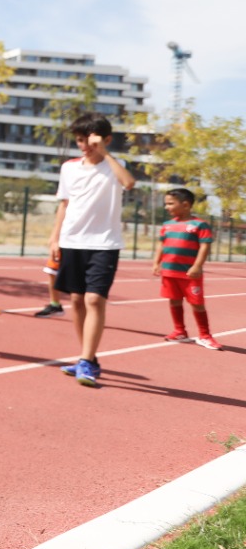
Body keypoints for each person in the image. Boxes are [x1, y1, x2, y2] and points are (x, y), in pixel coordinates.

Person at [49, 114, 137, 387]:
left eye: (90, 141)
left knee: (95, 300)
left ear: (105, 139)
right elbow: (64, 204)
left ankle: (86, 360)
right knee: (76, 301)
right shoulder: (69, 168)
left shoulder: (115, 165)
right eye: (79, 141)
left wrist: (105, 153)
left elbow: (129, 183)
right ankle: (88, 358)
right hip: (72, 241)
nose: (84, 146)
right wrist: (55, 238)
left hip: (104, 244)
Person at [153, 187, 221, 351]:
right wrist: (156, 263)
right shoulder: (167, 225)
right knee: (174, 300)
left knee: (197, 304)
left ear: (185, 205)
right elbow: (161, 244)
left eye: (170, 204)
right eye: (166, 204)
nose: (167, 207)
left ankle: (205, 335)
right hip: (169, 271)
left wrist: (197, 266)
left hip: (190, 274)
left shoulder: (200, 225)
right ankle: (180, 331)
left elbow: (205, 246)